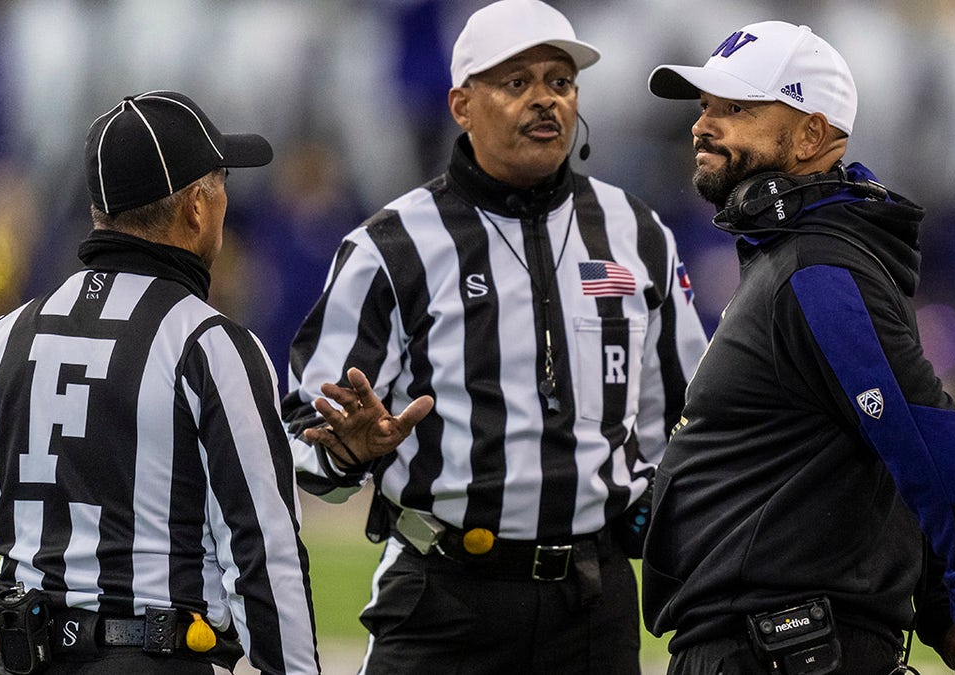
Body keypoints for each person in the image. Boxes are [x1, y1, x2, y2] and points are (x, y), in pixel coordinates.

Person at [641, 21, 955, 675]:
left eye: (735, 108)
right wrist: (945, 608)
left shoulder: (816, 266)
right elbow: (874, 455)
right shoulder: (799, 258)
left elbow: (931, 444)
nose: (704, 124)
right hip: (779, 645)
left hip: (778, 651)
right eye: (706, 105)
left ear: (811, 135)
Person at [280, 1, 708, 673]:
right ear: (461, 104)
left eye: (560, 82)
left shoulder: (637, 231)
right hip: (443, 598)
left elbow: (688, 413)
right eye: (517, 83)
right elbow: (304, 430)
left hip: (591, 604)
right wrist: (344, 454)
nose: (545, 101)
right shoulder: (391, 245)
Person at [0, 90, 319, 675]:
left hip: (27, 660)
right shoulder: (210, 345)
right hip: (155, 659)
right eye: (221, 181)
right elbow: (266, 552)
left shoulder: (3, 337)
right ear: (197, 208)